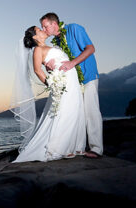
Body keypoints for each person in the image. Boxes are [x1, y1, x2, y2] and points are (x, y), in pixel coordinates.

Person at [11, 26, 88, 162]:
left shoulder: (52, 46)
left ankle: (74, 146)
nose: (42, 30)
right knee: (64, 111)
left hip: (72, 79)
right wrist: (51, 84)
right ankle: (60, 148)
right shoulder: (38, 50)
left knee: (74, 109)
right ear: (35, 37)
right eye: (39, 30)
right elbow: (37, 70)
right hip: (60, 83)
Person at [41, 12, 103, 158]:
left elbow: (90, 48)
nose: (43, 30)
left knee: (91, 111)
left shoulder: (74, 28)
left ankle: (96, 148)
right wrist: (50, 66)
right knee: (77, 113)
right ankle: (77, 147)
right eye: (42, 27)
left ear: (54, 24)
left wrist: (72, 63)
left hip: (87, 75)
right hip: (73, 82)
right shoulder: (55, 42)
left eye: (45, 26)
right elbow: (61, 61)